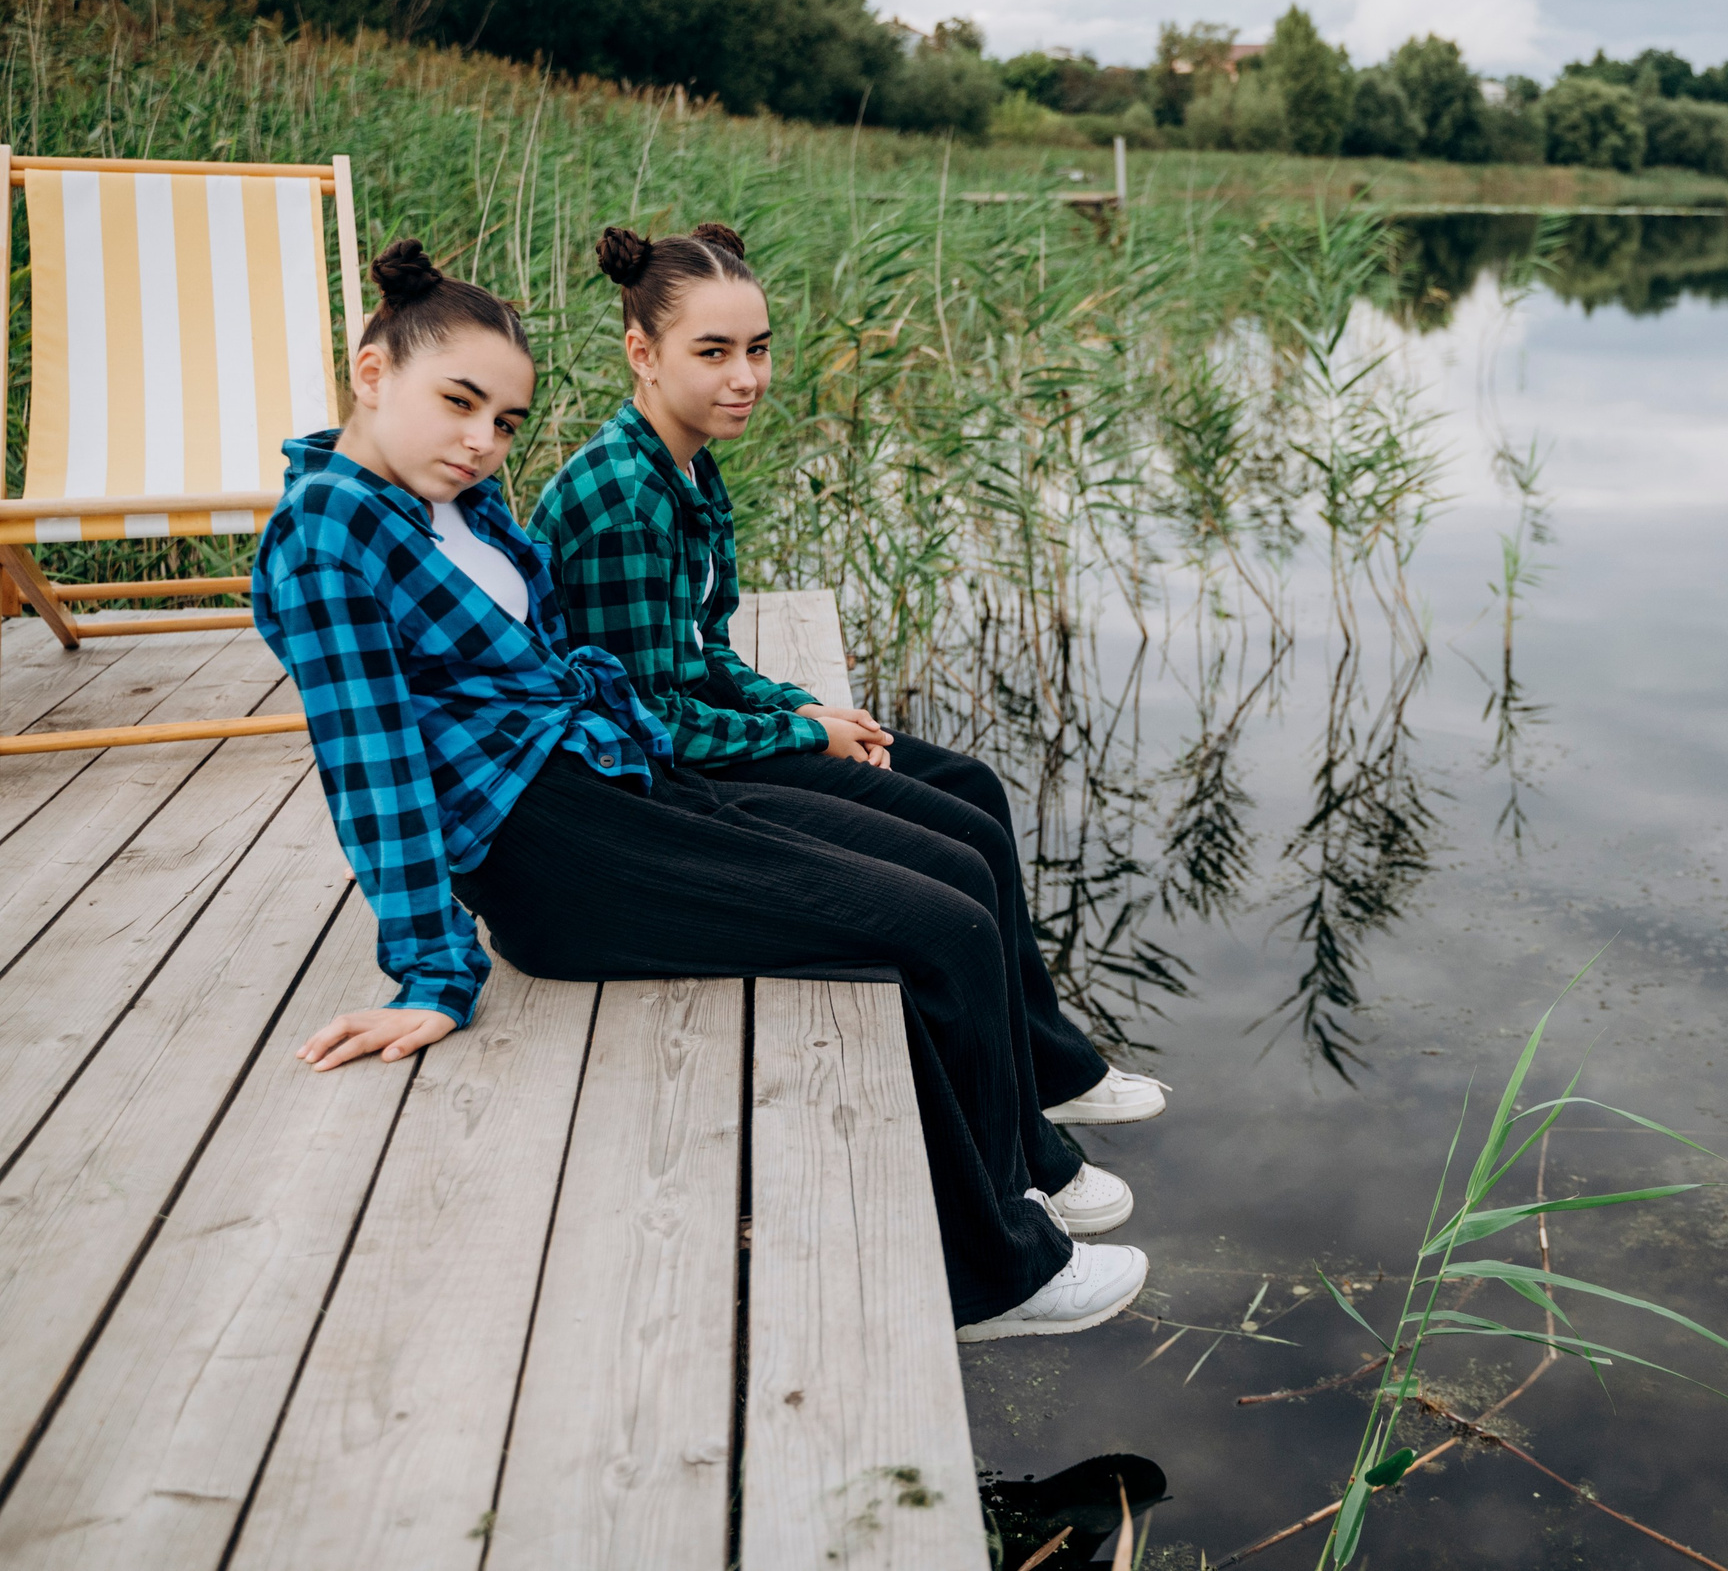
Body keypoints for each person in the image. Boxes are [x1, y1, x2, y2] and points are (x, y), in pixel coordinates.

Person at [255, 240, 1145, 1341]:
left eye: (506, 421)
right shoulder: (326, 536)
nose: (483, 440)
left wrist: (729, 733)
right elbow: (372, 760)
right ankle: (994, 1277)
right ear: (372, 372)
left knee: (954, 883)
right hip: (551, 856)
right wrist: (434, 971)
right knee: (932, 931)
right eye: (459, 402)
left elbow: (572, 664)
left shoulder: (455, 502)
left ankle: (1010, 1191)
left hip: (617, 782)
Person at [529, 224, 1164, 1137]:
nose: (746, 377)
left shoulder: (685, 465)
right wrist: (805, 736)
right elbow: (651, 720)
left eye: (758, 349)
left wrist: (801, 704)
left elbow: (699, 651)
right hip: (648, 789)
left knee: (973, 787)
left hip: (686, 736)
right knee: (957, 849)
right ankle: (1020, 1120)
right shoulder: (623, 500)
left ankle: (1049, 1066)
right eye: (713, 352)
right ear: (643, 353)